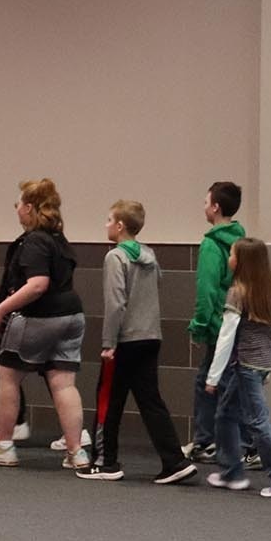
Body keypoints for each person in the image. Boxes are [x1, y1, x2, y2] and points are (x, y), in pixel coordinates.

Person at [0, 179, 88, 469]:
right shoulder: (60, 240)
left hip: (41, 316)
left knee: (7, 374)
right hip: (72, 316)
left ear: (30, 207)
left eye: (19, 204)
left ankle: (4, 445)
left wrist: (1, 309)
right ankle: (76, 452)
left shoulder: (35, 241)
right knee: (63, 383)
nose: (17, 209)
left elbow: (37, 285)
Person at [75, 201, 195, 484]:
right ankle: (174, 460)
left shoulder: (116, 257)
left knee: (108, 399)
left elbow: (116, 303)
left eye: (108, 220)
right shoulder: (149, 256)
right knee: (151, 400)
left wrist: (108, 341)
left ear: (120, 226)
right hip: (151, 336)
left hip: (125, 340)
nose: (105, 225)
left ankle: (105, 462)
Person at [204, 238, 271, 497]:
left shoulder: (238, 292)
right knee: (225, 413)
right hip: (261, 362)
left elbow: (226, 337)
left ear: (241, 262)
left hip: (245, 364)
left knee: (258, 421)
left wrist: (213, 376)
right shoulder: (266, 290)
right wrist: (268, 365)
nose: (229, 258)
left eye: (232, 254)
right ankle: (231, 472)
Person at [186, 180, 253, 465]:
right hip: (242, 320)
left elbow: (207, 288)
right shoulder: (242, 240)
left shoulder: (212, 244)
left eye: (205, 202)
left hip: (217, 322)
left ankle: (207, 441)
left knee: (208, 382)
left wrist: (201, 324)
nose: (203, 207)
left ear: (215, 207)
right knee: (235, 382)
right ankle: (243, 442)